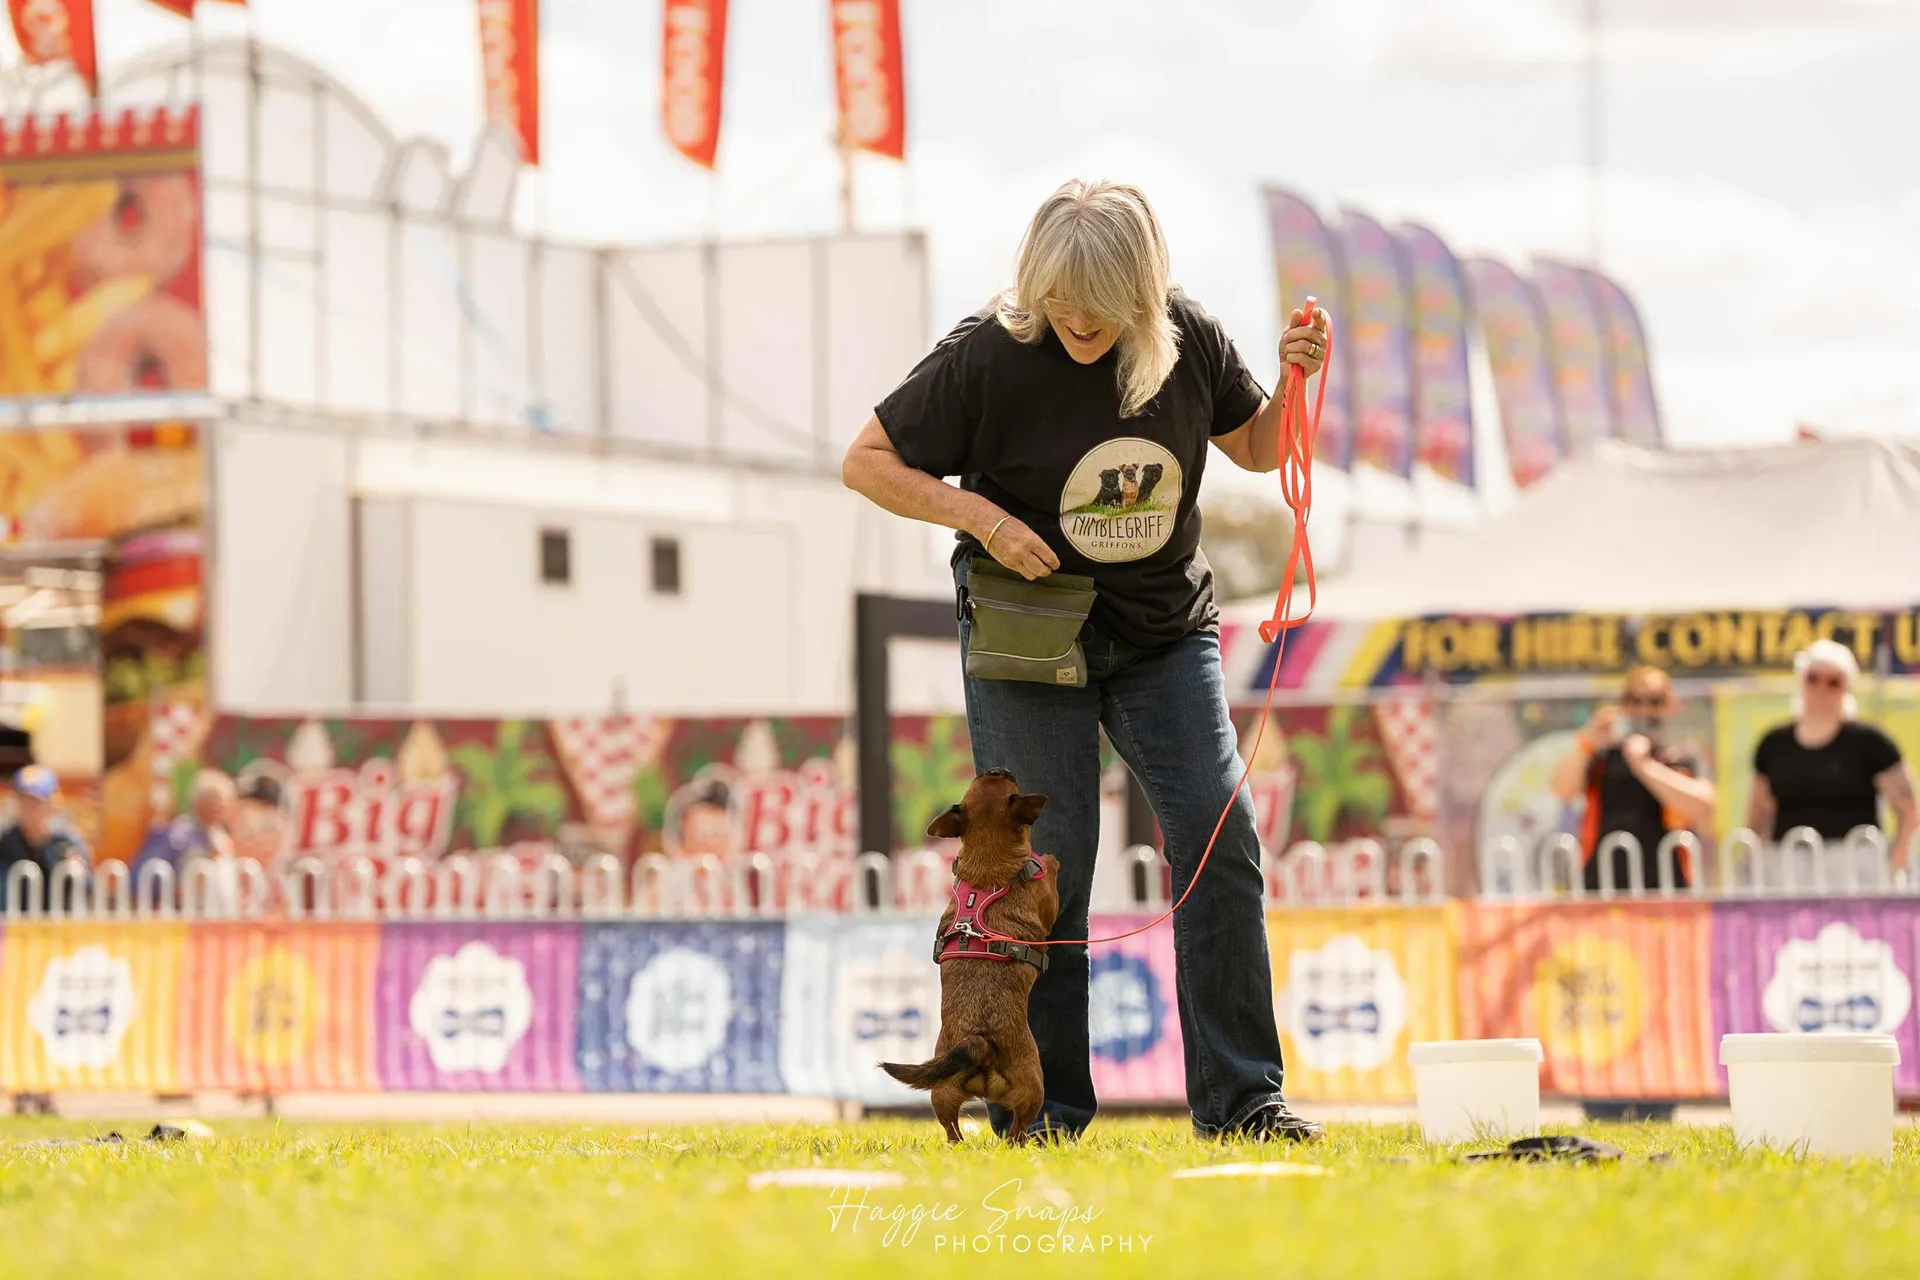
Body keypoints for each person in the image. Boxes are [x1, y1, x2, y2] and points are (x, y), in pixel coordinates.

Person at [842, 178, 1333, 1142]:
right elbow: (868, 462)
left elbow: (1260, 447)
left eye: (1098, 307)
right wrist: (982, 517)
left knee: (1219, 840)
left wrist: (1296, 379)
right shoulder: (989, 351)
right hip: (1030, 642)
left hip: (1163, 637)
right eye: (1058, 299)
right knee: (1043, 876)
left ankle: (1243, 1103)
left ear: (1145, 296)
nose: (1074, 320)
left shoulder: (1188, 339)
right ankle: (1044, 1113)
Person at [1750, 639, 1919, 881]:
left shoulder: (1871, 743)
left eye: (1833, 682)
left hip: (1856, 868)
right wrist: (1757, 868)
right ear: (1801, 680)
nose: (1821, 688)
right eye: (1813, 678)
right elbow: (1758, 816)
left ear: (1846, 687)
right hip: (1788, 867)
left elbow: (1909, 809)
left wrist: (1892, 866)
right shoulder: (1773, 745)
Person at [1550, 666, 1715, 892]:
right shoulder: (1603, 757)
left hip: (1666, 888)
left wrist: (1644, 766)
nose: (1644, 709)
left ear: (1670, 705)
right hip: (1602, 885)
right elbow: (1562, 789)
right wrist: (1587, 740)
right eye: (1634, 700)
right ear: (1623, 704)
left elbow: (1702, 804)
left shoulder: (1681, 755)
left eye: (1655, 701)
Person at [132, 768, 237, 891]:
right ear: (198, 801)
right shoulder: (178, 836)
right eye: (215, 801)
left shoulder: (220, 836)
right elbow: (150, 877)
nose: (219, 807)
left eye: (224, 802)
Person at [0, 766, 89, 910]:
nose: (28, 809)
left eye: (35, 802)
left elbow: (86, 887)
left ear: (52, 804)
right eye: (22, 801)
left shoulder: (66, 842)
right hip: (14, 927)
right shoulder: (5, 841)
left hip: (58, 926)